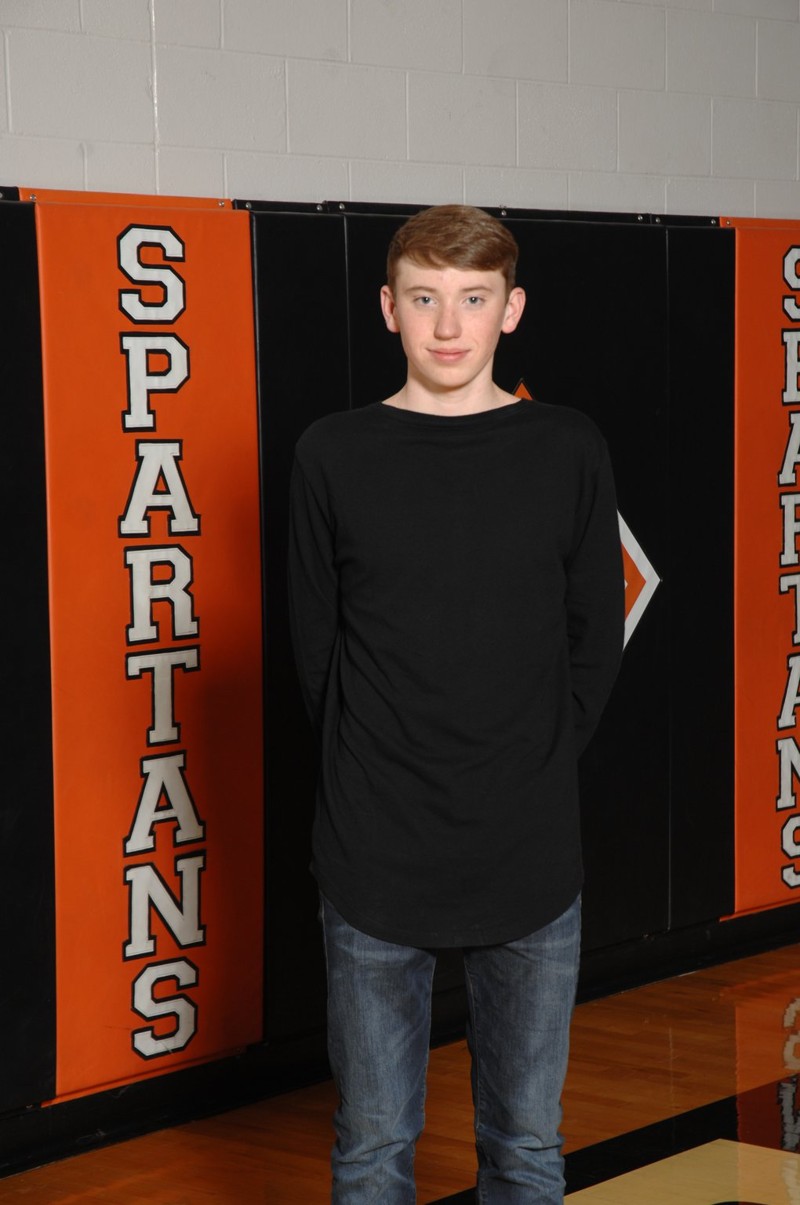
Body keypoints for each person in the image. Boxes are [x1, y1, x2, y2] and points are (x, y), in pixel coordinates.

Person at [288, 204, 624, 1204]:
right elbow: (316, 654)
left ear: (508, 310)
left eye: (471, 299)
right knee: (371, 1147)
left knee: (523, 1146)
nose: (447, 324)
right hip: (370, 852)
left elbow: (592, 640)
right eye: (425, 298)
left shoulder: (567, 446)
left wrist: (526, 764)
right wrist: (371, 772)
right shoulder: (330, 453)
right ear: (387, 308)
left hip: (526, 847)